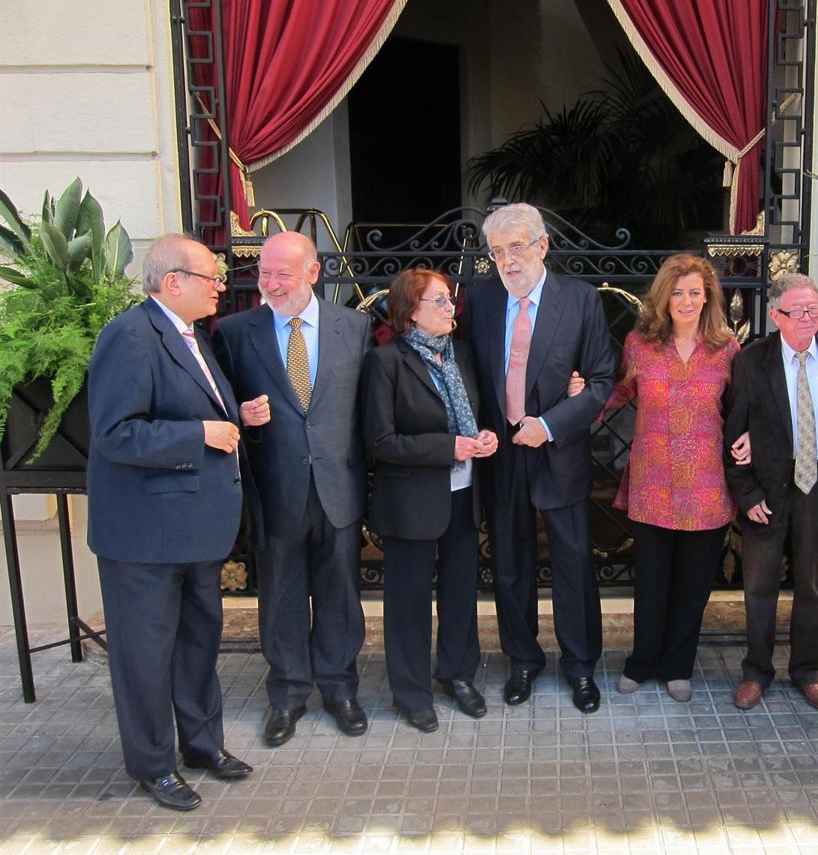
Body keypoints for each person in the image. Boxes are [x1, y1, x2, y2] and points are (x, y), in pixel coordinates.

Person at [87, 234, 262, 810]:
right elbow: (116, 434)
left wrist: (234, 416)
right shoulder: (130, 336)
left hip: (196, 528)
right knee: (144, 656)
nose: (221, 287)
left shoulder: (191, 335)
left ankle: (203, 746)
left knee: (197, 645)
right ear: (172, 282)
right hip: (145, 535)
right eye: (211, 277)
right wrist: (199, 434)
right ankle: (153, 765)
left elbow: (194, 407)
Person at [213, 231, 373, 746]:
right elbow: (216, 403)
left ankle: (340, 688)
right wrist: (240, 414)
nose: (272, 284)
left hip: (338, 486)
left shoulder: (355, 327)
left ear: (313, 273)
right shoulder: (235, 332)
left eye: (283, 274)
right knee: (280, 595)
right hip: (275, 488)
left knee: (339, 593)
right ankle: (286, 694)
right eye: (264, 273)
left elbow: (368, 409)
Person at [462, 202, 616, 714]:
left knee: (573, 562)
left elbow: (600, 382)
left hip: (558, 449)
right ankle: (522, 660)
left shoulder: (581, 300)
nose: (507, 260)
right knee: (509, 563)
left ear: (542, 246)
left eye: (516, 247)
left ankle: (580, 665)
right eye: (497, 251)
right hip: (501, 452)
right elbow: (469, 373)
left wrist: (548, 424)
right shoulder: (480, 300)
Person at [361, 269, 499, 732]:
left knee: (460, 591)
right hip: (411, 501)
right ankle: (411, 692)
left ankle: (458, 675)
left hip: (463, 494)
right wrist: (448, 448)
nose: (449, 308)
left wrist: (483, 437)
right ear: (410, 311)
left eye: (448, 299)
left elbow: (473, 416)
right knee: (409, 601)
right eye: (437, 301)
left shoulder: (462, 354)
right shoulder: (386, 362)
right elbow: (380, 441)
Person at [599, 254, 741, 702]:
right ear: (663, 297)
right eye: (677, 292)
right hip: (653, 481)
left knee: (693, 584)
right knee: (652, 581)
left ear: (708, 297)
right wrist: (576, 404)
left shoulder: (726, 348)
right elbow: (620, 392)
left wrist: (751, 439)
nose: (686, 300)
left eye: (695, 292)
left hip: (706, 484)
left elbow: (739, 408)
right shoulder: (640, 344)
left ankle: (679, 666)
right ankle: (642, 662)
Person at [723, 273, 818, 712]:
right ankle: (756, 671)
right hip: (767, 488)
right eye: (796, 311)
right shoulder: (751, 360)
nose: (807, 318)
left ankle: (808, 671)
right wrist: (746, 494)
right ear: (776, 315)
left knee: (810, 584)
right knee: (759, 586)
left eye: (813, 309)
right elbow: (734, 433)